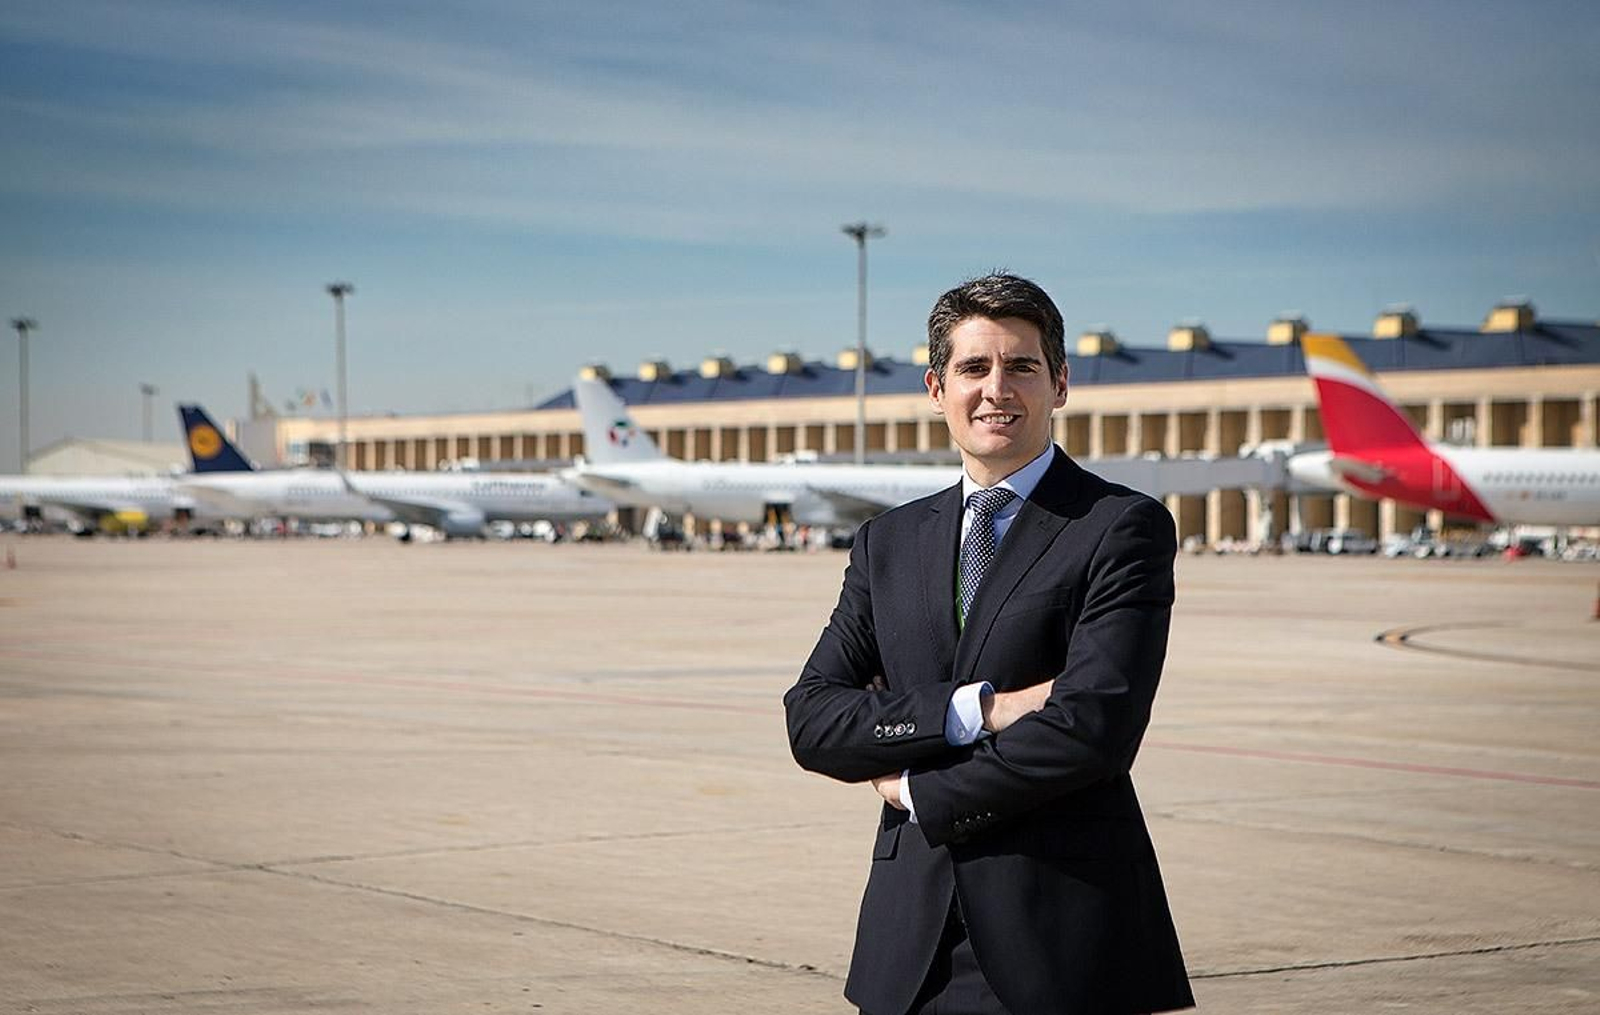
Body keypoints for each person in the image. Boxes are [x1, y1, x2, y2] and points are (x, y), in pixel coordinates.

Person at [784, 274, 1193, 1015]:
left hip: (1062, 939)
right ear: (936, 388)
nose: (996, 389)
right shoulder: (887, 543)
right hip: (906, 950)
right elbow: (812, 719)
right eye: (974, 368)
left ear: (1060, 383)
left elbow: (1093, 728)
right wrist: (980, 710)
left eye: (1021, 366)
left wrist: (918, 789)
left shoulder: (1119, 527)